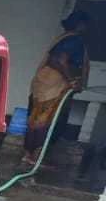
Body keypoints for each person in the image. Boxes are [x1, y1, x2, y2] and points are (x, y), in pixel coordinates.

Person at [23, 10, 91, 168]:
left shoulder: (62, 38)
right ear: (80, 24)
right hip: (55, 88)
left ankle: (28, 155)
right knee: (51, 122)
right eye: (86, 25)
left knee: (35, 120)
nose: (88, 29)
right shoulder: (74, 41)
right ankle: (37, 158)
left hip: (43, 86)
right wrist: (72, 80)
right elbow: (58, 60)